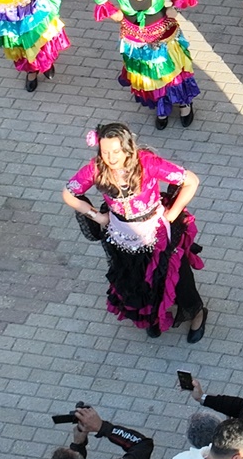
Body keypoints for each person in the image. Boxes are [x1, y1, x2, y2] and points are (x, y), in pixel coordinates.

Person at [63, 122, 208, 340]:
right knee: (137, 282)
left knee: (177, 277)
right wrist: (98, 216)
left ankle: (195, 313)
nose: (111, 158)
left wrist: (171, 214)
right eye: (105, 152)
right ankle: (152, 316)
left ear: (127, 148)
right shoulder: (96, 168)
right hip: (121, 238)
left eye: (116, 151)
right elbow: (69, 193)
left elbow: (191, 181)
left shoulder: (147, 163)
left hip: (156, 236)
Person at [93, 0, 201, 127]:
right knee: (148, 75)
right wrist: (112, 12)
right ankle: (162, 107)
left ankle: (185, 104)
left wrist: (175, 7)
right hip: (134, 38)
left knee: (172, 72)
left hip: (163, 34)